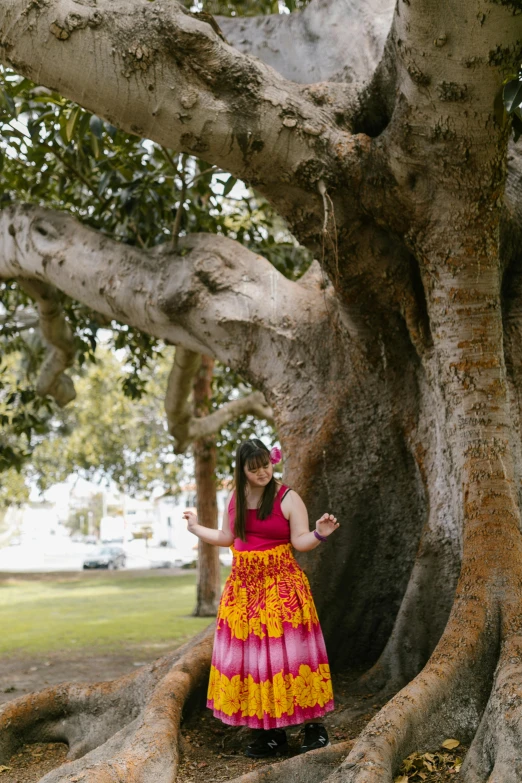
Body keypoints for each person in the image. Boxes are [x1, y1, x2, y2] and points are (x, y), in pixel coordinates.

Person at [183, 438, 339, 758]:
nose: (263, 472)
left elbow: (301, 541)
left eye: (266, 465)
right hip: (244, 588)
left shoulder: (288, 497)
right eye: (254, 469)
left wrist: (320, 532)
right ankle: (270, 732)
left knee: (293, 656)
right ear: (242, 471)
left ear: (272, 462)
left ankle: (313, 727)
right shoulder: (236, 498)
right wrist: (197, 528)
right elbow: (227, 538)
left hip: (281, 585)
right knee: (253, 661)